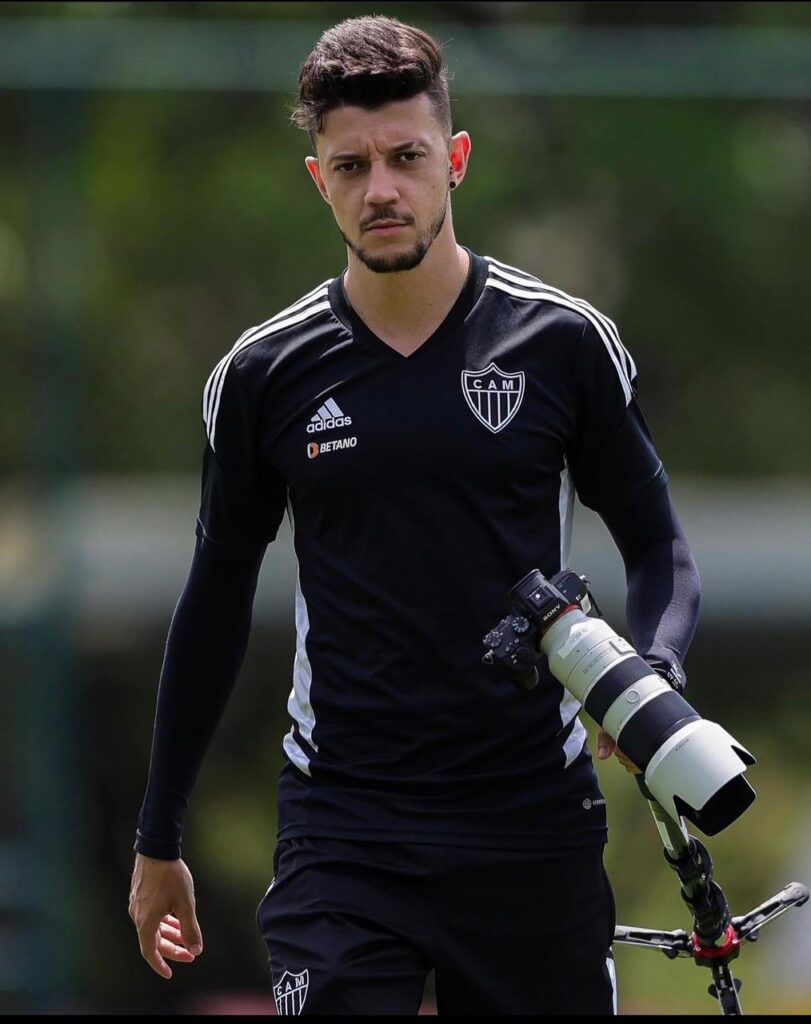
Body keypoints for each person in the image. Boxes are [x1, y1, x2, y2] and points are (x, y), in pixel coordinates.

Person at [128, 14, 701, 1016]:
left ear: (455, 160)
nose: (380, 187)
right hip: (343, 825)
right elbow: (213, 603)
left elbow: (658, 546)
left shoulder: (562, 342)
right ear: (318, 179)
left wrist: (653, 669)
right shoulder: (262, 375)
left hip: (533, 820)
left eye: (406, 157)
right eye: (350, 166)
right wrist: (157, 835)